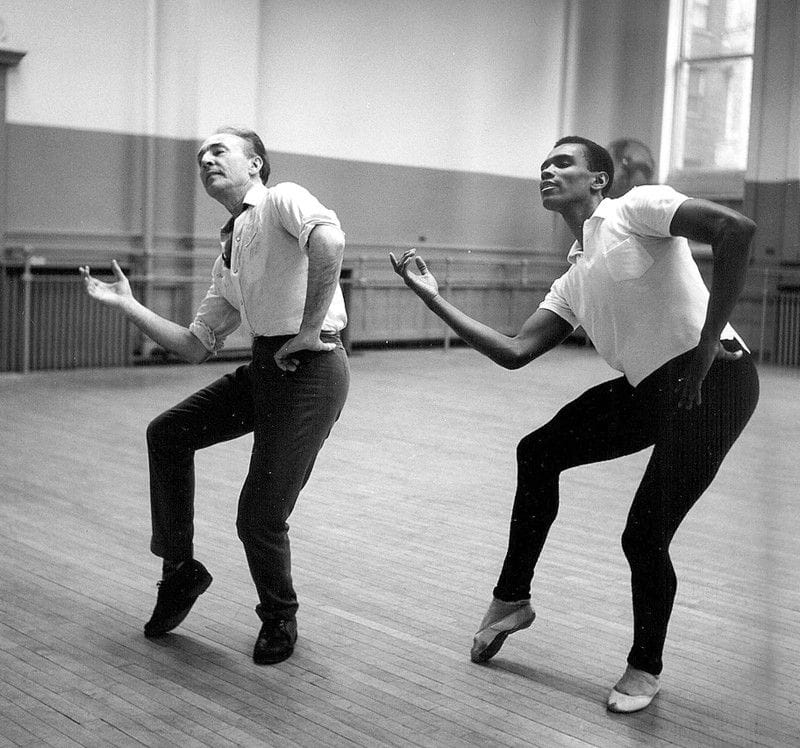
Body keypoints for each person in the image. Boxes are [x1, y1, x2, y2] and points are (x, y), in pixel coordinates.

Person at [390, 136, 759, 713]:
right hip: (651, 389)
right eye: (543, 163)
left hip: (715, 382)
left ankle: (645, 667)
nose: (548, 170)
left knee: (644, 534)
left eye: (563, 162)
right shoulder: (574, 274)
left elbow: (736, 230)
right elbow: (515, 350)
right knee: (539, 450)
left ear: (599, 180)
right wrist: (433, 299)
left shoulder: (637, 208)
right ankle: (512, 598)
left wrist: (708, 345)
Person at [80, 126, 349, 665]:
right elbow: (194, 345)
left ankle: (279, 617)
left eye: (219, 150)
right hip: (266, 367)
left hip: (311, 369)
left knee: (258, 516)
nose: (206, 159)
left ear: (255, 164)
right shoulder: (231, 249)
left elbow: (330, 240)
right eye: (201, 155)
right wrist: (129, 305)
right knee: (168, 433)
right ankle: (179, 570)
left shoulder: (281, 199)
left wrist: (308, 328)